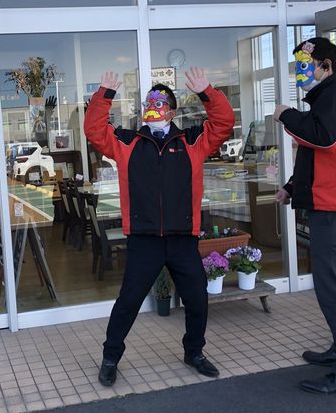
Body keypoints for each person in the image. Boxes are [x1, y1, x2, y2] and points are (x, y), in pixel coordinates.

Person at [84, 68, 235, 386]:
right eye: (148, 103)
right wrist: (104, 94)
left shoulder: (192, 141)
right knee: (128, 301)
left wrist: (207, 91)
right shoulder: (127, 142)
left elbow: (223, 123)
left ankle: (194, 352)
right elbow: (95, 130)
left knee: (197, 299)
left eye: (160, 103)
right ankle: (110, 357)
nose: (152, 108)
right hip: (144, 239)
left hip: (183, 238)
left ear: (172, 111)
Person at [273, 37, 336, 395]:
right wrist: (291, 186)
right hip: (329, 205)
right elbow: (317, 155)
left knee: (333, 290)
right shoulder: (326, 99)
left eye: (305, 64)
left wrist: (286, 115)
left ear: (326, 66)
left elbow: (325, 138)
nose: (300, 71)